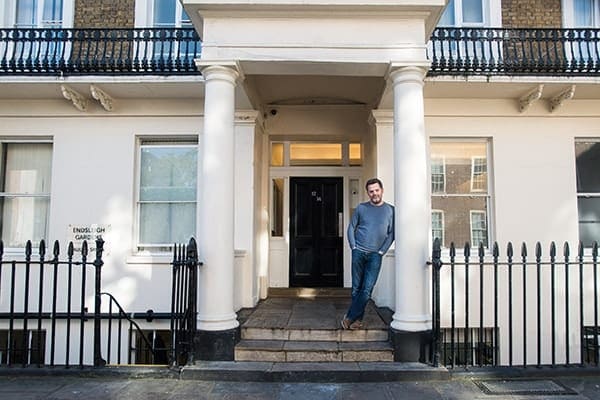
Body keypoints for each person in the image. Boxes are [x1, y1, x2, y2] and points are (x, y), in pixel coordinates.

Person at [341, 178, 394, 330]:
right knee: (356, 288)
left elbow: (391, 233)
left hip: (375, 255)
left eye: (377, 190)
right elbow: (351, 227)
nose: (374, 193)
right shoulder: (361, 208)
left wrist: (381, 251)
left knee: (367, 289)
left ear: (382, 190)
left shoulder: (390, 210)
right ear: (368, 193)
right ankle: (358, 321)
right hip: (359, 252)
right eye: (371, 191)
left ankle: (350, 317)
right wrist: (353, 246)